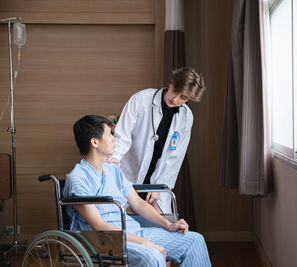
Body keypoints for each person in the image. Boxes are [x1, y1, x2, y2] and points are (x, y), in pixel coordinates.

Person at [63, 115, 211, 266]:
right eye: (109, 134)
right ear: (95, 142)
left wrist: (168, 225)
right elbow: (99, 226)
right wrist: (144, 243)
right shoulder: (78, 179)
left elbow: (138, 204)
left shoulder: (113, 170)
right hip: (104, 240)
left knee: (194, 240)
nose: (114, 139)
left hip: (134, 232)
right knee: (152, 255)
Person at [108, 67, 206, 213]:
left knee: (162, 222)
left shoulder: (186, 117)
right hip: (129, 173)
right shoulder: (141, 99)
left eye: (183, 97)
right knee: (123, 219)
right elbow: (122, 136)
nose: (175, 99)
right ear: (171, 83)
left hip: (156, 180)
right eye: (175, 91)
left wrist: (160, 187)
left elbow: (175, 158)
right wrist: (114, 157)